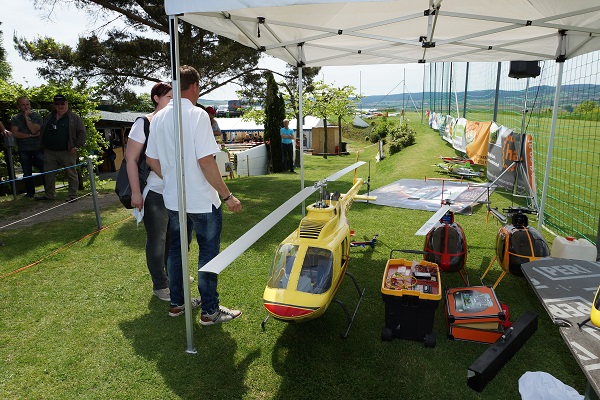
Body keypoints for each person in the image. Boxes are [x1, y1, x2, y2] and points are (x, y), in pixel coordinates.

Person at [146, 65, 243, 324]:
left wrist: (173, 179)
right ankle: (210, 311)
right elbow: (206, 161)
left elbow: (151, 158)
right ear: (195, 86)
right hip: (201, 200)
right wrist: (228, 196)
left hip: (174, 199)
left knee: (177, 251)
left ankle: (177, 303)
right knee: (208, 253)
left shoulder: (159, 117)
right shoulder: (197, 115)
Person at [126, 82, 174, 302]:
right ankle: (160, 285)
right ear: (156, 98)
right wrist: (136, 193)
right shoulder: (143, 122)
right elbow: (131, 159)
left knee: (174, 238)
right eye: (169, 97)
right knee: (157, 240)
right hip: (154, 191)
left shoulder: (173, 122)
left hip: (174, 191)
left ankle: (172, 275)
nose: (173, 101)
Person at [36, 94, 86, 202]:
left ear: (66, 104)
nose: (60, 106)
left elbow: (82, 133)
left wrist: (76, 146)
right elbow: (42, 131)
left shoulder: (74, 117)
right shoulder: (49, 117)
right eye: (57, 104)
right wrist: (43, 145)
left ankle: (72, 195)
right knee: (48, 174)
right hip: (50, 151)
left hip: (67, 151)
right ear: (54, 105)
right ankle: (49, 195)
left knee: (71, 174)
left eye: (62, 103)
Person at [9, 97, 44, 198]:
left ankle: (48, 190)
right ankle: (30, 193)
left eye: (27, 104)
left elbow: (34, 130)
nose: (26, 107)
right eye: (23, 105)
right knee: (26, 172)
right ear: (18, 107)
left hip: (37, 148)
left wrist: (26, 117)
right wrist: (30, 135)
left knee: (44, 168)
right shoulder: (15, 118)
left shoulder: (36, 116)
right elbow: (15, 133)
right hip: (23, 149)